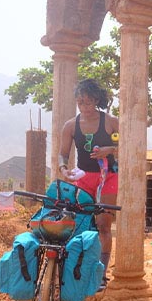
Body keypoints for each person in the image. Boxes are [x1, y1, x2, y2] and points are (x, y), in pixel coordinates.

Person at [58, 79, 119, 289]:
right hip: (83, 177)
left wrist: (109, 150)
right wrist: (63, 169)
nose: (84, 106)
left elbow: (125, 143)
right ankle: (80, 269)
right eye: (80, 102)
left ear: (97, 100)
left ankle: (101, 274)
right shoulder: (70, 126)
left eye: (88, 102)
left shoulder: (110, 122)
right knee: (82, 223)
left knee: (103, 224)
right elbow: (62, 155)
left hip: (108, 177)